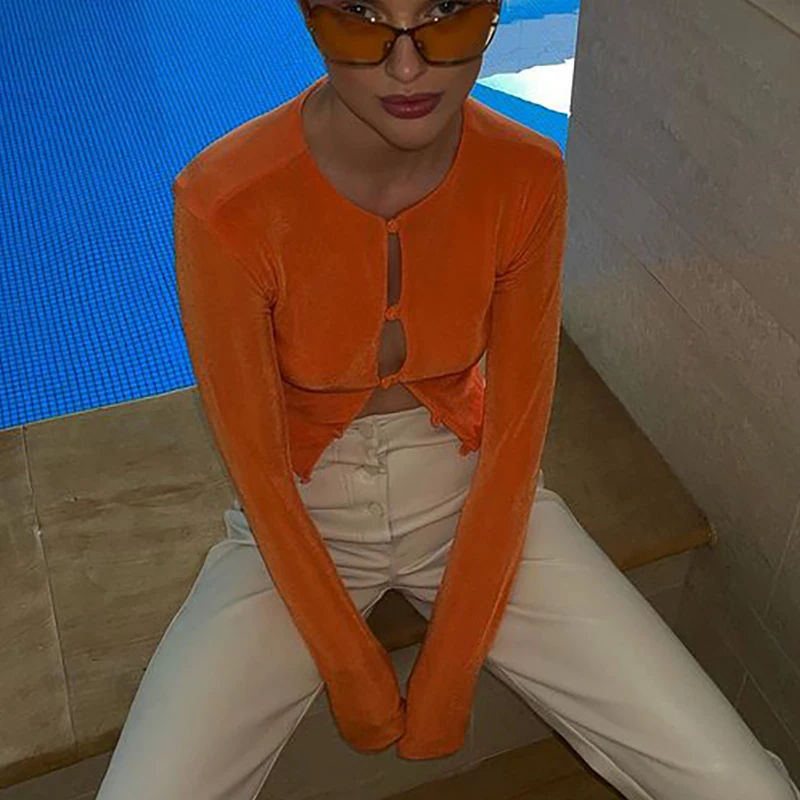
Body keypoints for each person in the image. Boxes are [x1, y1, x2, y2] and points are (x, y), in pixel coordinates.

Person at [96, 1, 800, 798]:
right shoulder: (224, 199)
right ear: (311, 17)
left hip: (476, 496)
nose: (408, 67)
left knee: (744, 786)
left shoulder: (527, 175)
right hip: (295, 517)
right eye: (362, 18)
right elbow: (255, 463)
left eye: (446, 16)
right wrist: (352, 669)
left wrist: (451, 669)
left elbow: (519, 427)